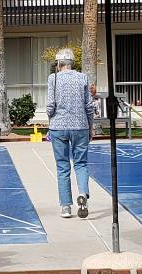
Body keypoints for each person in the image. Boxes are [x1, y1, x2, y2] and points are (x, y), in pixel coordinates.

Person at [46, 48, 95, 219]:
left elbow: (50, 105)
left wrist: (50, 120)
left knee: (62, 167)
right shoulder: (82, 77)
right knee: (81, 164)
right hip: (80, 126)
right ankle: (82, 193)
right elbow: (89, 106)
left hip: (58, 127)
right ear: (73, 63)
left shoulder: (53, 78)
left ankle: (66, 207)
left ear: (58, 64)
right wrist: (90, 126)